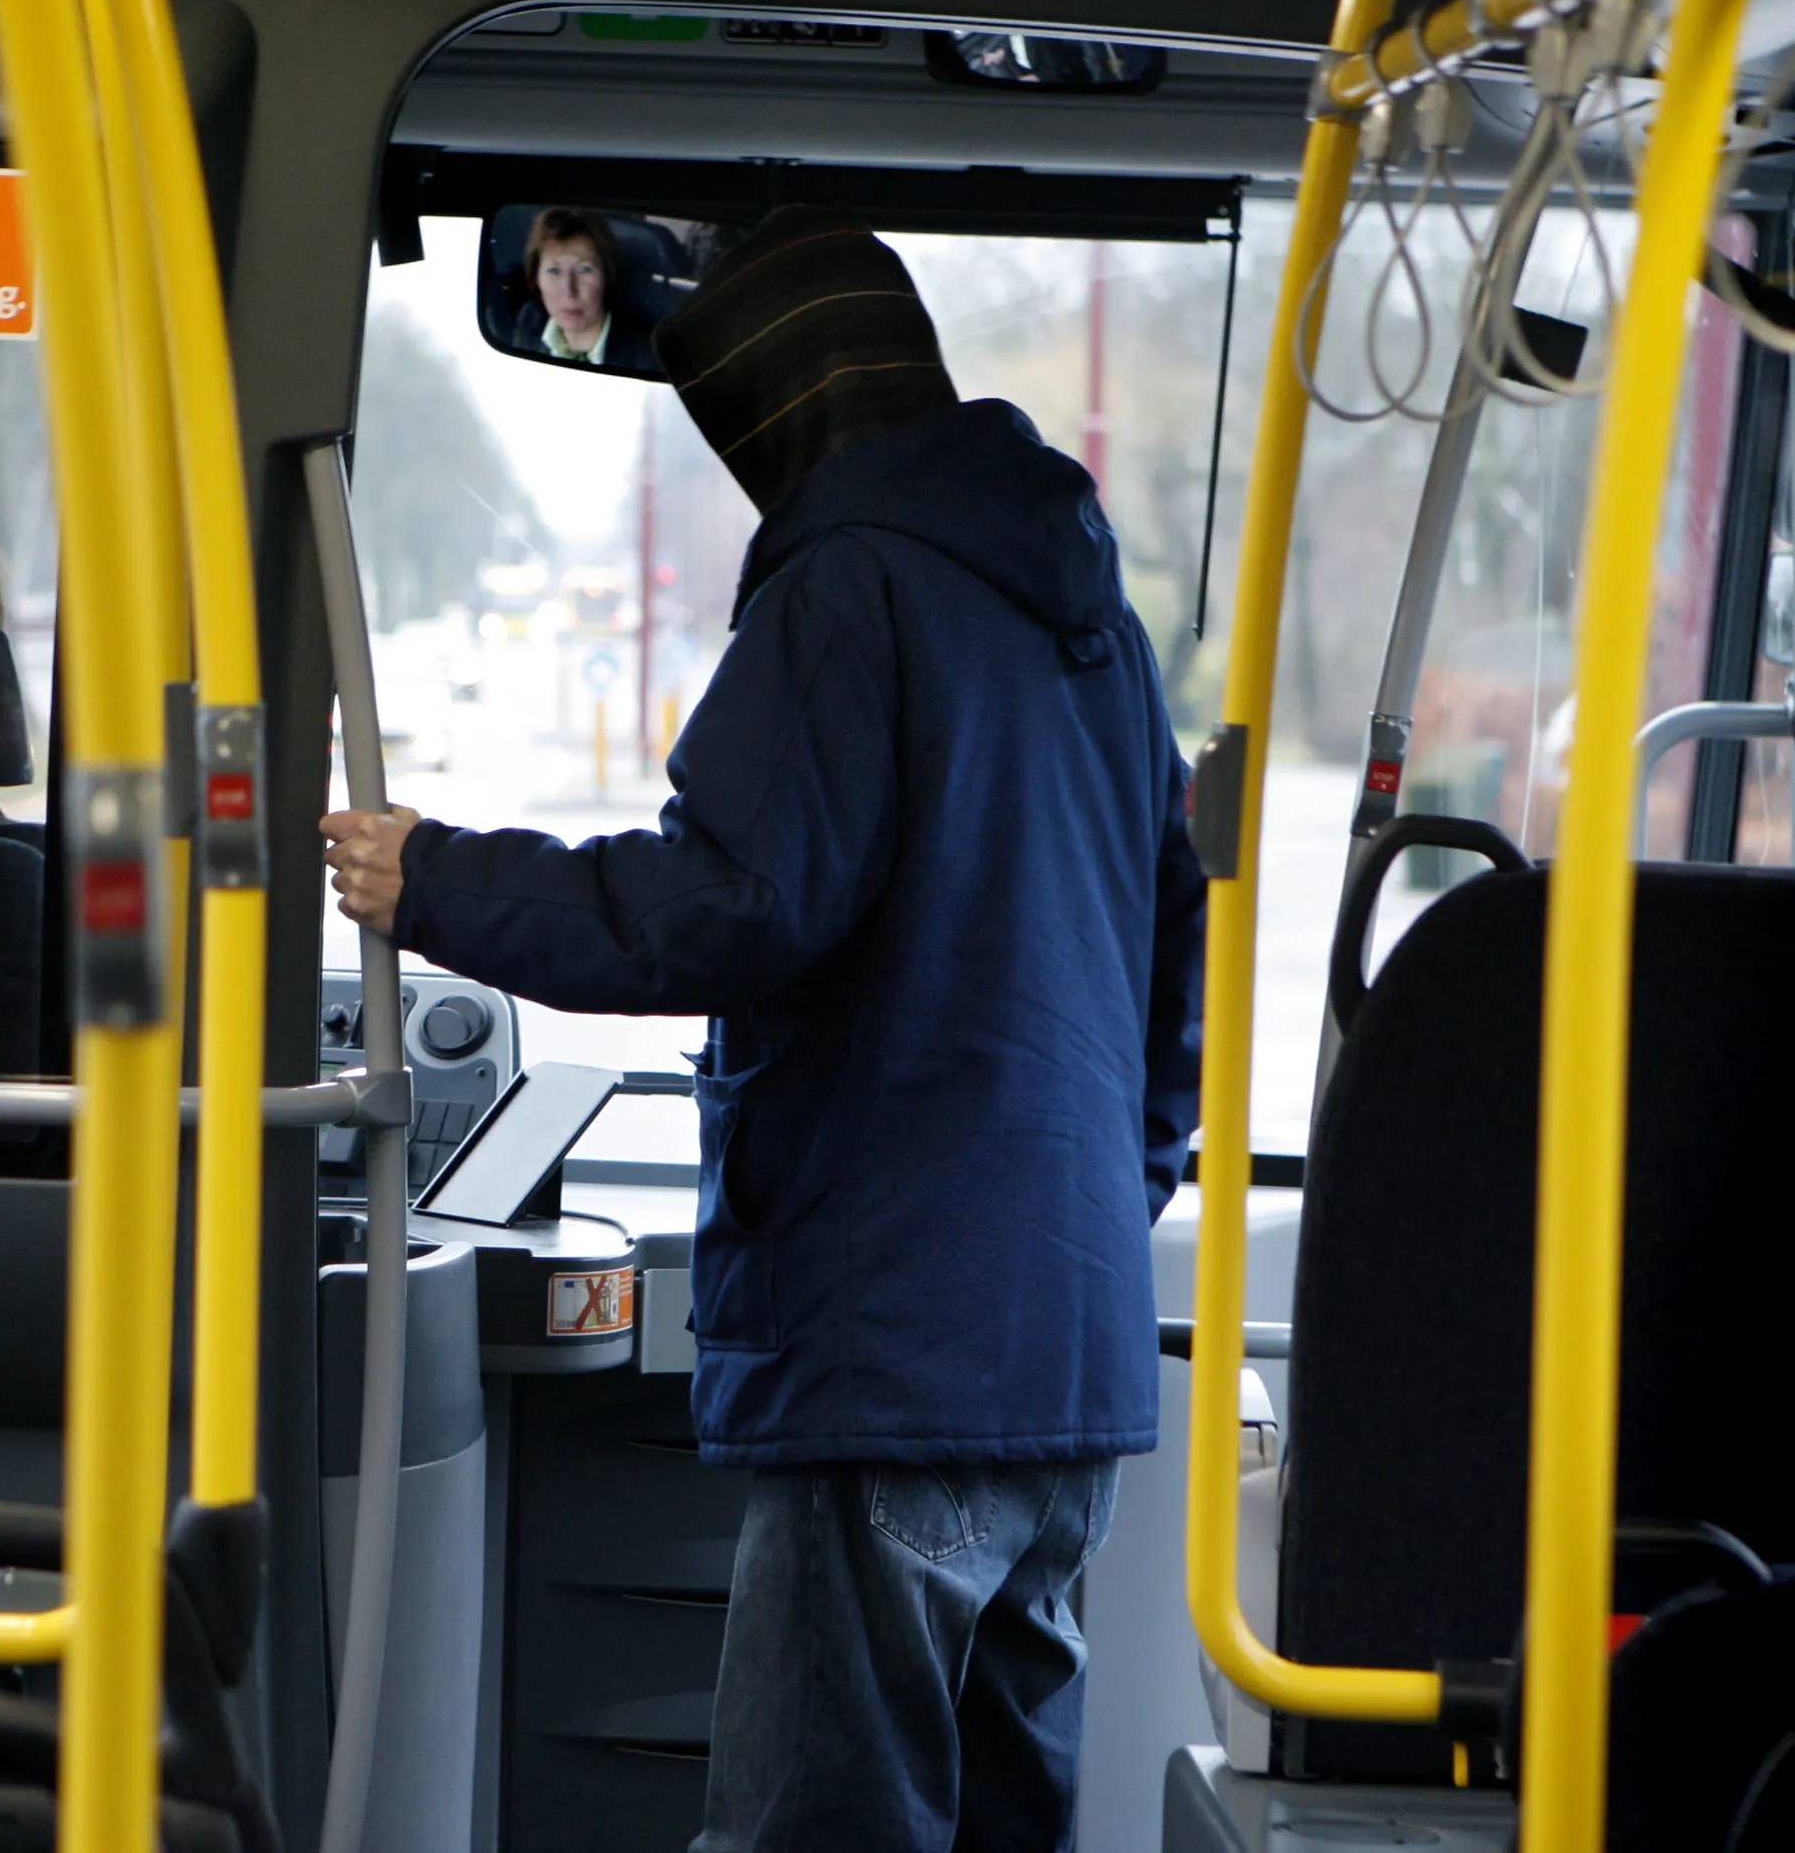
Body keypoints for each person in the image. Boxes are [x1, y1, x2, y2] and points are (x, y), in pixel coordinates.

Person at [323, 207, 1205, 1850]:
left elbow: (734, 901)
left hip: (899, 1355)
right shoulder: (1097, 621)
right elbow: (1173, 977)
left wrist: (432, 880)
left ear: (782, 417)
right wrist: (1081, 1212)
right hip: (1065, 1358)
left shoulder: (848, 586)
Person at [507, 205, 659, 373]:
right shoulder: (530, 321)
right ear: (536, 279)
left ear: (607, 276)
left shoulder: (647, 356)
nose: (569, 291)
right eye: (554, 271)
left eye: (584, 270)